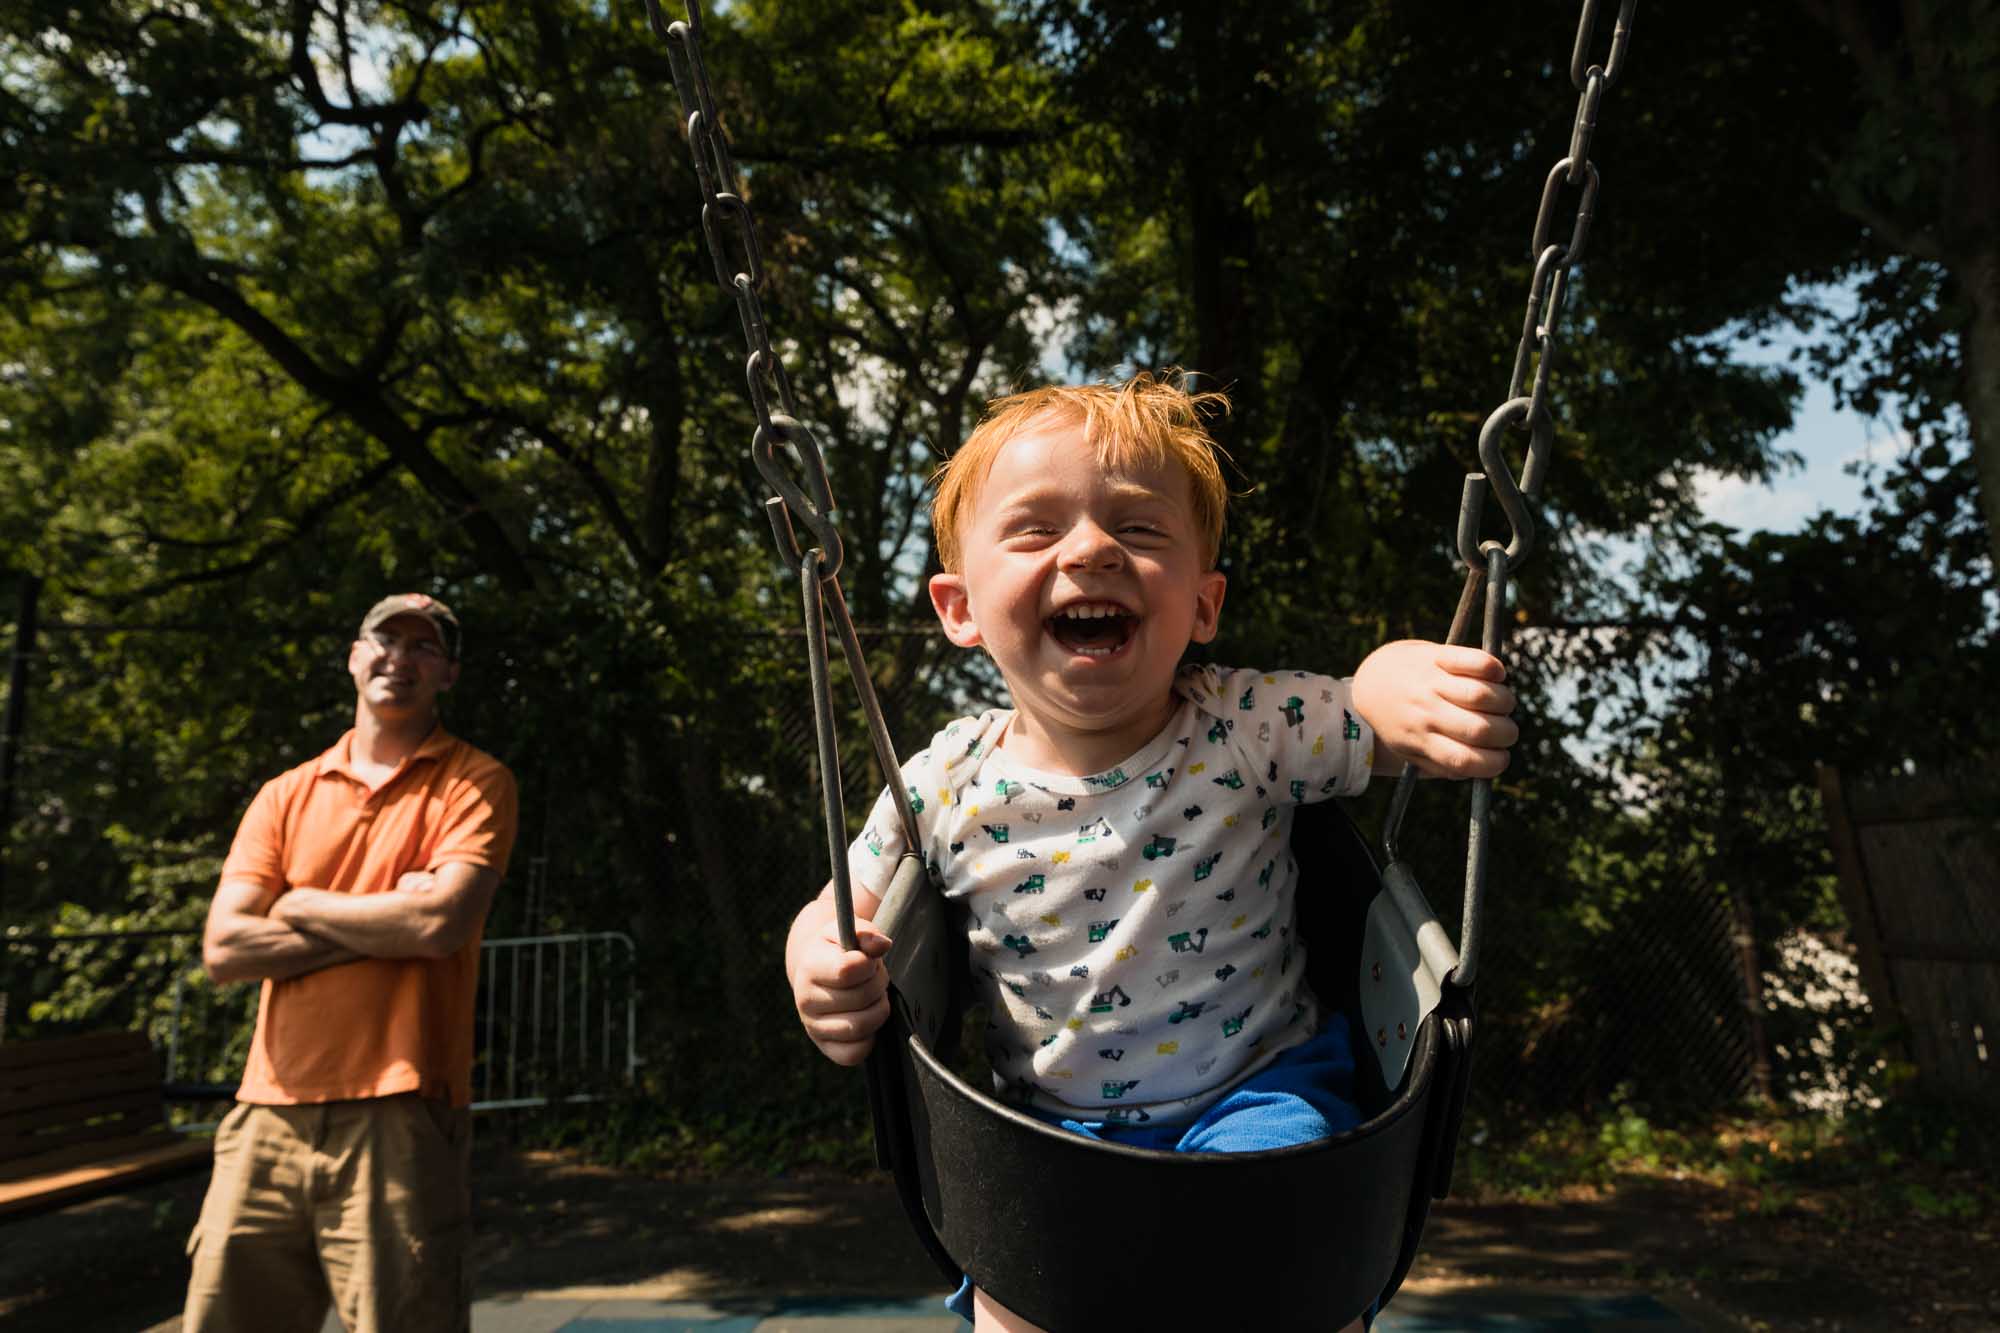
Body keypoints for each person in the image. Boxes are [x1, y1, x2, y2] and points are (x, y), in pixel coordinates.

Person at [783, 373, 1518, 1332]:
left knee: (1289, 1260)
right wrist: (817, 964)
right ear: (959, 608)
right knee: (1014, 1302)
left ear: (1203, 605)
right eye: (1037, 530)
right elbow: (840, 904)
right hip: (1044, 1135)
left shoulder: (1246, 725)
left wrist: (1399, 680)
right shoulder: (942, 781)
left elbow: (1367, 711)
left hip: (1258, 1097)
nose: (1091, 548)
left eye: (1139, 530)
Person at [183, 593, 518, 1333]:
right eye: (385, 638)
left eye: (424, 646)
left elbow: (439, 921)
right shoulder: (285, 794)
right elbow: (225, 947)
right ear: (354, 654)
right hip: (265, 1111)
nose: (401, 656)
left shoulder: (473, 782)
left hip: (401, 1107)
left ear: (449, 673)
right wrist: (383, 916)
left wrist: (298, 904)